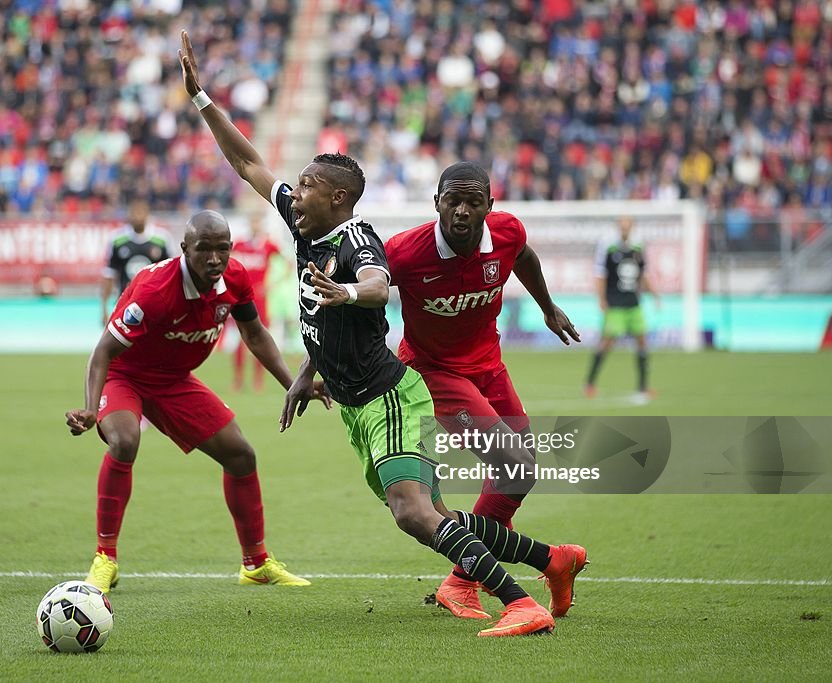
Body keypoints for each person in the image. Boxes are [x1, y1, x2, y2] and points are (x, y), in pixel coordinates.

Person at [180, 31, 583, 637]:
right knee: (438, 515)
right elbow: (248, 165)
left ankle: (519, 605)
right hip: (357, 404)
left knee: (413, 511)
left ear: (338, 198)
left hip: (390, 396)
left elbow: (374, 283)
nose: (295, 189)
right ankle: (552, 559)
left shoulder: (360, 240)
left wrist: (345, 292)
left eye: (308, 184)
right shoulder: (305, 226)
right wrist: (202, 99)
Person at [66, 209, 323, 592]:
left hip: (173, 381)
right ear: (185, 248)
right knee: (125, 441)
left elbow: (255, 335)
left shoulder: (234, 277)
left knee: (240, 454)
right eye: (204, 249)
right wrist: (90, 407)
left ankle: (255, 563)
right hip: (126, 376)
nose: (215, 259)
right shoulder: (154, 292)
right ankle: (105, 558)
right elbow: (102, 353)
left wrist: (294, 383)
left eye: (223, 249)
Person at [385, 161, 586, 620]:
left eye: (472, 202)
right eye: (452, 200)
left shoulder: (508, 232)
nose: (461, 211)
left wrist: (548, 307)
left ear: (489, 207)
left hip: (489, 366)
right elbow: (365, 294)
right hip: (432, 371)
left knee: (521, 471)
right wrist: (312, 362)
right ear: (436, 203)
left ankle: (554, 561)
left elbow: (525, 258)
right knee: (513, 462)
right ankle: (464, 582)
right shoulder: (405, 253)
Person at [584, 215, 660, 403]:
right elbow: (600, 274)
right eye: (622, 226)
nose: (625, 229)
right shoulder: (609, 247)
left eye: (628, 226)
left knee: (642, 342)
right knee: (607, 342)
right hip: (615, 303)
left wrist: (654, 295)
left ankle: (643, 387)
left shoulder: (638, 248)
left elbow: (644, 274)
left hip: (634, 303)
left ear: (632, 227)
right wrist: (601, 298)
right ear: (618, 228)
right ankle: (590, 383)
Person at [100, 198, 174, 326]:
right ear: (129, 215)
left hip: (155, 304)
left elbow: (172, 275)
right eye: (134, 212)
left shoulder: (162, 240)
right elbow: (109, 275)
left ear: (147, 214)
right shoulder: (117, 240)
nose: (137, 216)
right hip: (125, 304)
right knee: (124, 344)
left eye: (141, 212)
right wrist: (104, 309)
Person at [230, 213, 282, 391]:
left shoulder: (268, 245)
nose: (255, 225)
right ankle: (238, 378)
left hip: (260, 298)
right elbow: (228, 262)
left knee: (261, 337)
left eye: (257, 221)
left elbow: (288, 265)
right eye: (252, 221)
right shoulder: (240, 244)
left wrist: (270, 286)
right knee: (240, 339)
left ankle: (258, 379)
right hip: (242, 297)